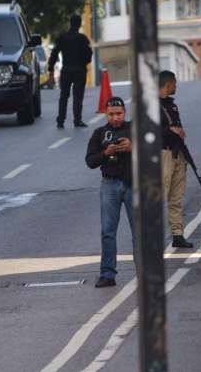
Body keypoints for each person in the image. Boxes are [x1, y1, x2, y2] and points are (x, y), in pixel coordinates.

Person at [85, 97, 133, 288]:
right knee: (108, 231)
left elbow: (152, 151)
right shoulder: (99, 133)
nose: (115, 118)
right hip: (109, 184)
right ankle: (107, 274)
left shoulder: (134, 130)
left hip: (133, 184)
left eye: (119, 113)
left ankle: (144, 272)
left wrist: (132, 147)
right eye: (111, 114)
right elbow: (90, 161)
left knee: (139, 232)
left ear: (125, 113)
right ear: (106, 114)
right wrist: (106, 152)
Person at [159, 71, 194, 249]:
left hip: (177, 153)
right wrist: (170, 131)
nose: (176, 86)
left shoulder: (171, 105)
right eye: (174, 83)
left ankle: (177, 235)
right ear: (167, 84)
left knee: (176, 197)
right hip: (162, 154)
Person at [48, 14, 93, 129]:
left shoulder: (62, 37)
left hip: (66, 70)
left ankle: (60, 121)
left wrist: (50, 68)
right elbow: (88, 55)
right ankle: (77, 120)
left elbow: (54, 52)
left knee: (64, 96)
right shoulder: (82, 38)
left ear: (70, 23)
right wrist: (83, 63)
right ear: (79, 24)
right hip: (79, 70)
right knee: (78, 96)